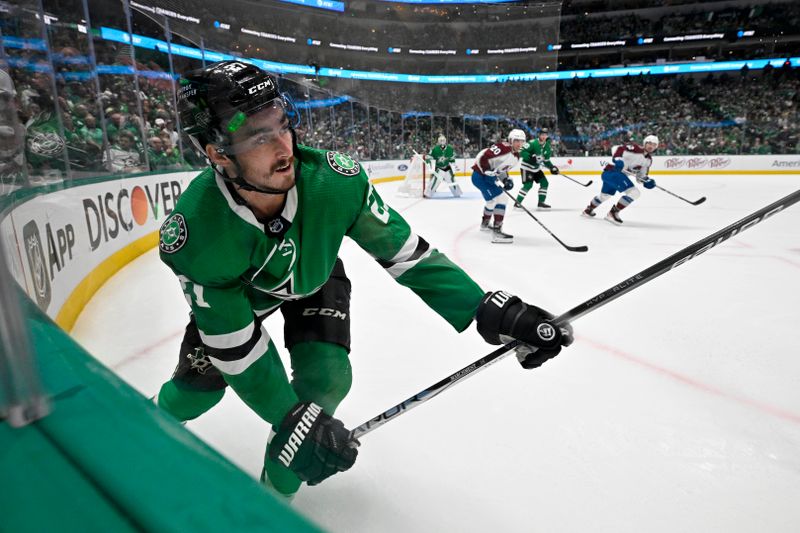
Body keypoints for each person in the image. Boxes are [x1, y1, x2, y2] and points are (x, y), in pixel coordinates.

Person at [155, 61, 573, 500]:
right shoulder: (196, 236)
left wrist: (486, 307)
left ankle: (274, 500)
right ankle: (138, 426)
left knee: (328, 380)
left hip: (314, 275)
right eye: (258, 137)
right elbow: (235, 347)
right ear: (216, 152)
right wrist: (288, 415)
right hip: (244, 298)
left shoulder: (336, 182)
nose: (284, 147)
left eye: (282, 125)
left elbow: (408, 255)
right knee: (193, 396)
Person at [582, 135, 659, 225]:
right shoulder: (635, 148)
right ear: (645, 143)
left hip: (613, 176)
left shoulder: (648, 160)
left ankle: (588, 210)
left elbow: (641, 176)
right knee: (635, 193)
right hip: (613, 172)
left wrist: (647, 181)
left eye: (654, 145)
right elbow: (616, 148)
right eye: (649, 143)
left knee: (605, 196)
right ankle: (613, 213)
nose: (651, 146)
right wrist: (618, 160)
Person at [470, 129, 526, 243]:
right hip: (480, 177)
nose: (519, 144)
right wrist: (486, 171)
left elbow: (501, 170)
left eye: (522, 141)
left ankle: (485, 225)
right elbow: (483, 157)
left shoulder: (516, 156)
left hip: (487, 179)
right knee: (502, 199)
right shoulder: (503, 147)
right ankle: (497, 232)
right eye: (516, 141)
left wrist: (505, 179)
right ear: (510, 140)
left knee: (491, 202)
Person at [515, 127, 559, 209]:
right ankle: (517, 203)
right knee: (528, 185)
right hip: (526, 168)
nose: (543, 136)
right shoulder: (532, 143)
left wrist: (552, 167)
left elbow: (546, 161)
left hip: (536, 169)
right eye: (542, 134)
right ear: (539, 135)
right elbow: (521, 151)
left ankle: (541, 202)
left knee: (544, 183)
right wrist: (530, 157)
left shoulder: (548, 147)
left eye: (545, 135)